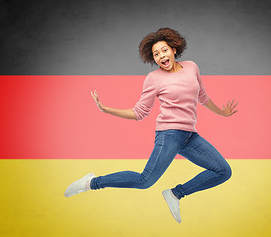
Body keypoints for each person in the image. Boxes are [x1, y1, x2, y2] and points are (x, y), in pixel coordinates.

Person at [64, 27, 238, 223]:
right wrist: (107, 109)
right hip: (169, 135)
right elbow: (139, 112)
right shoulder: (153, 79)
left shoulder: (191, 67)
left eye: (164, 50)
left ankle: (175, 194)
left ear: (174, 49)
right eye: (156, 54)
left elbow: (202, 97)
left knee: (223, 171)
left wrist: (221, 112)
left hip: (190, 136)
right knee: (145, 180)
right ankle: (91, 182)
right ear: (152, 58)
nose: (161, 56)